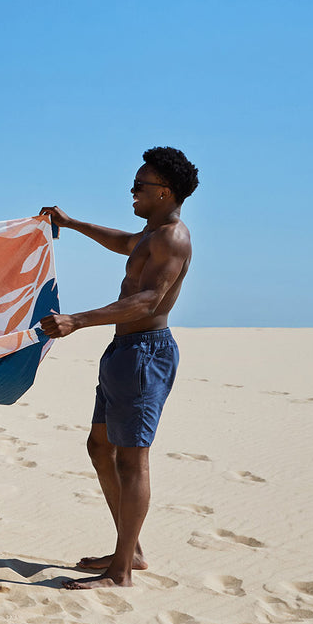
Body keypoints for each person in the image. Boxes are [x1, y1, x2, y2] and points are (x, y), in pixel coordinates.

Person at [39, 147, 199, 589]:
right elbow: (121, 242)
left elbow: (148, 300)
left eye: (139, 186)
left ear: (163, 192)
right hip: (124, 352)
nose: (132, 192)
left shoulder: (173, 238)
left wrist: (77, 319)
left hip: (145, 354)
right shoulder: (150, 235)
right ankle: (132, 550)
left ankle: (122, 572)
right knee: (99, 448)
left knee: (133, 462)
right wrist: (70, 223)